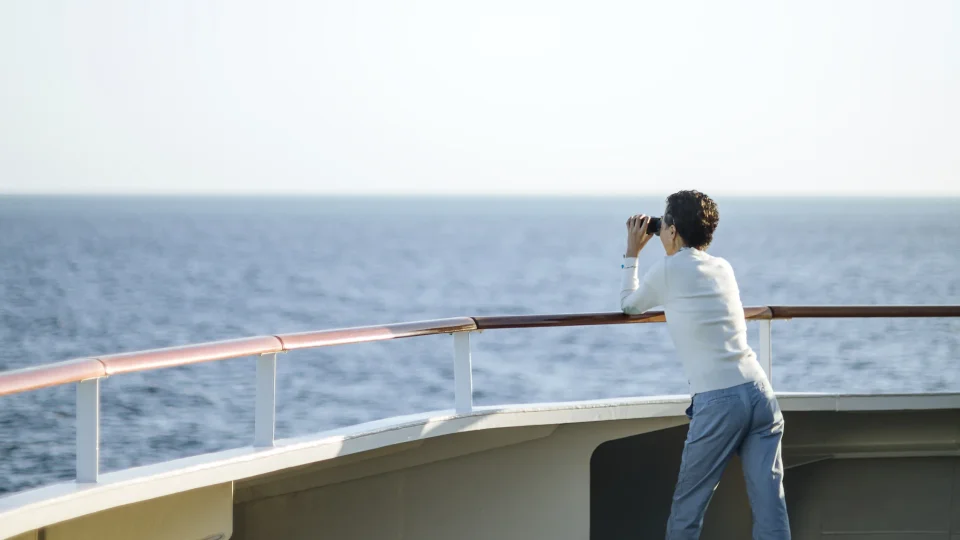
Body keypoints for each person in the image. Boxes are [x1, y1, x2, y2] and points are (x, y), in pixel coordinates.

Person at [619, 190, 790, 540]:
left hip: (718, 402)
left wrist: (632, 253)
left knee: (688, 509)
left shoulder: (667, 270)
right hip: (759, 393)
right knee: (771, 506)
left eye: (664, 221)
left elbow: (629, 306)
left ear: (673, 230)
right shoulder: (722, 267)